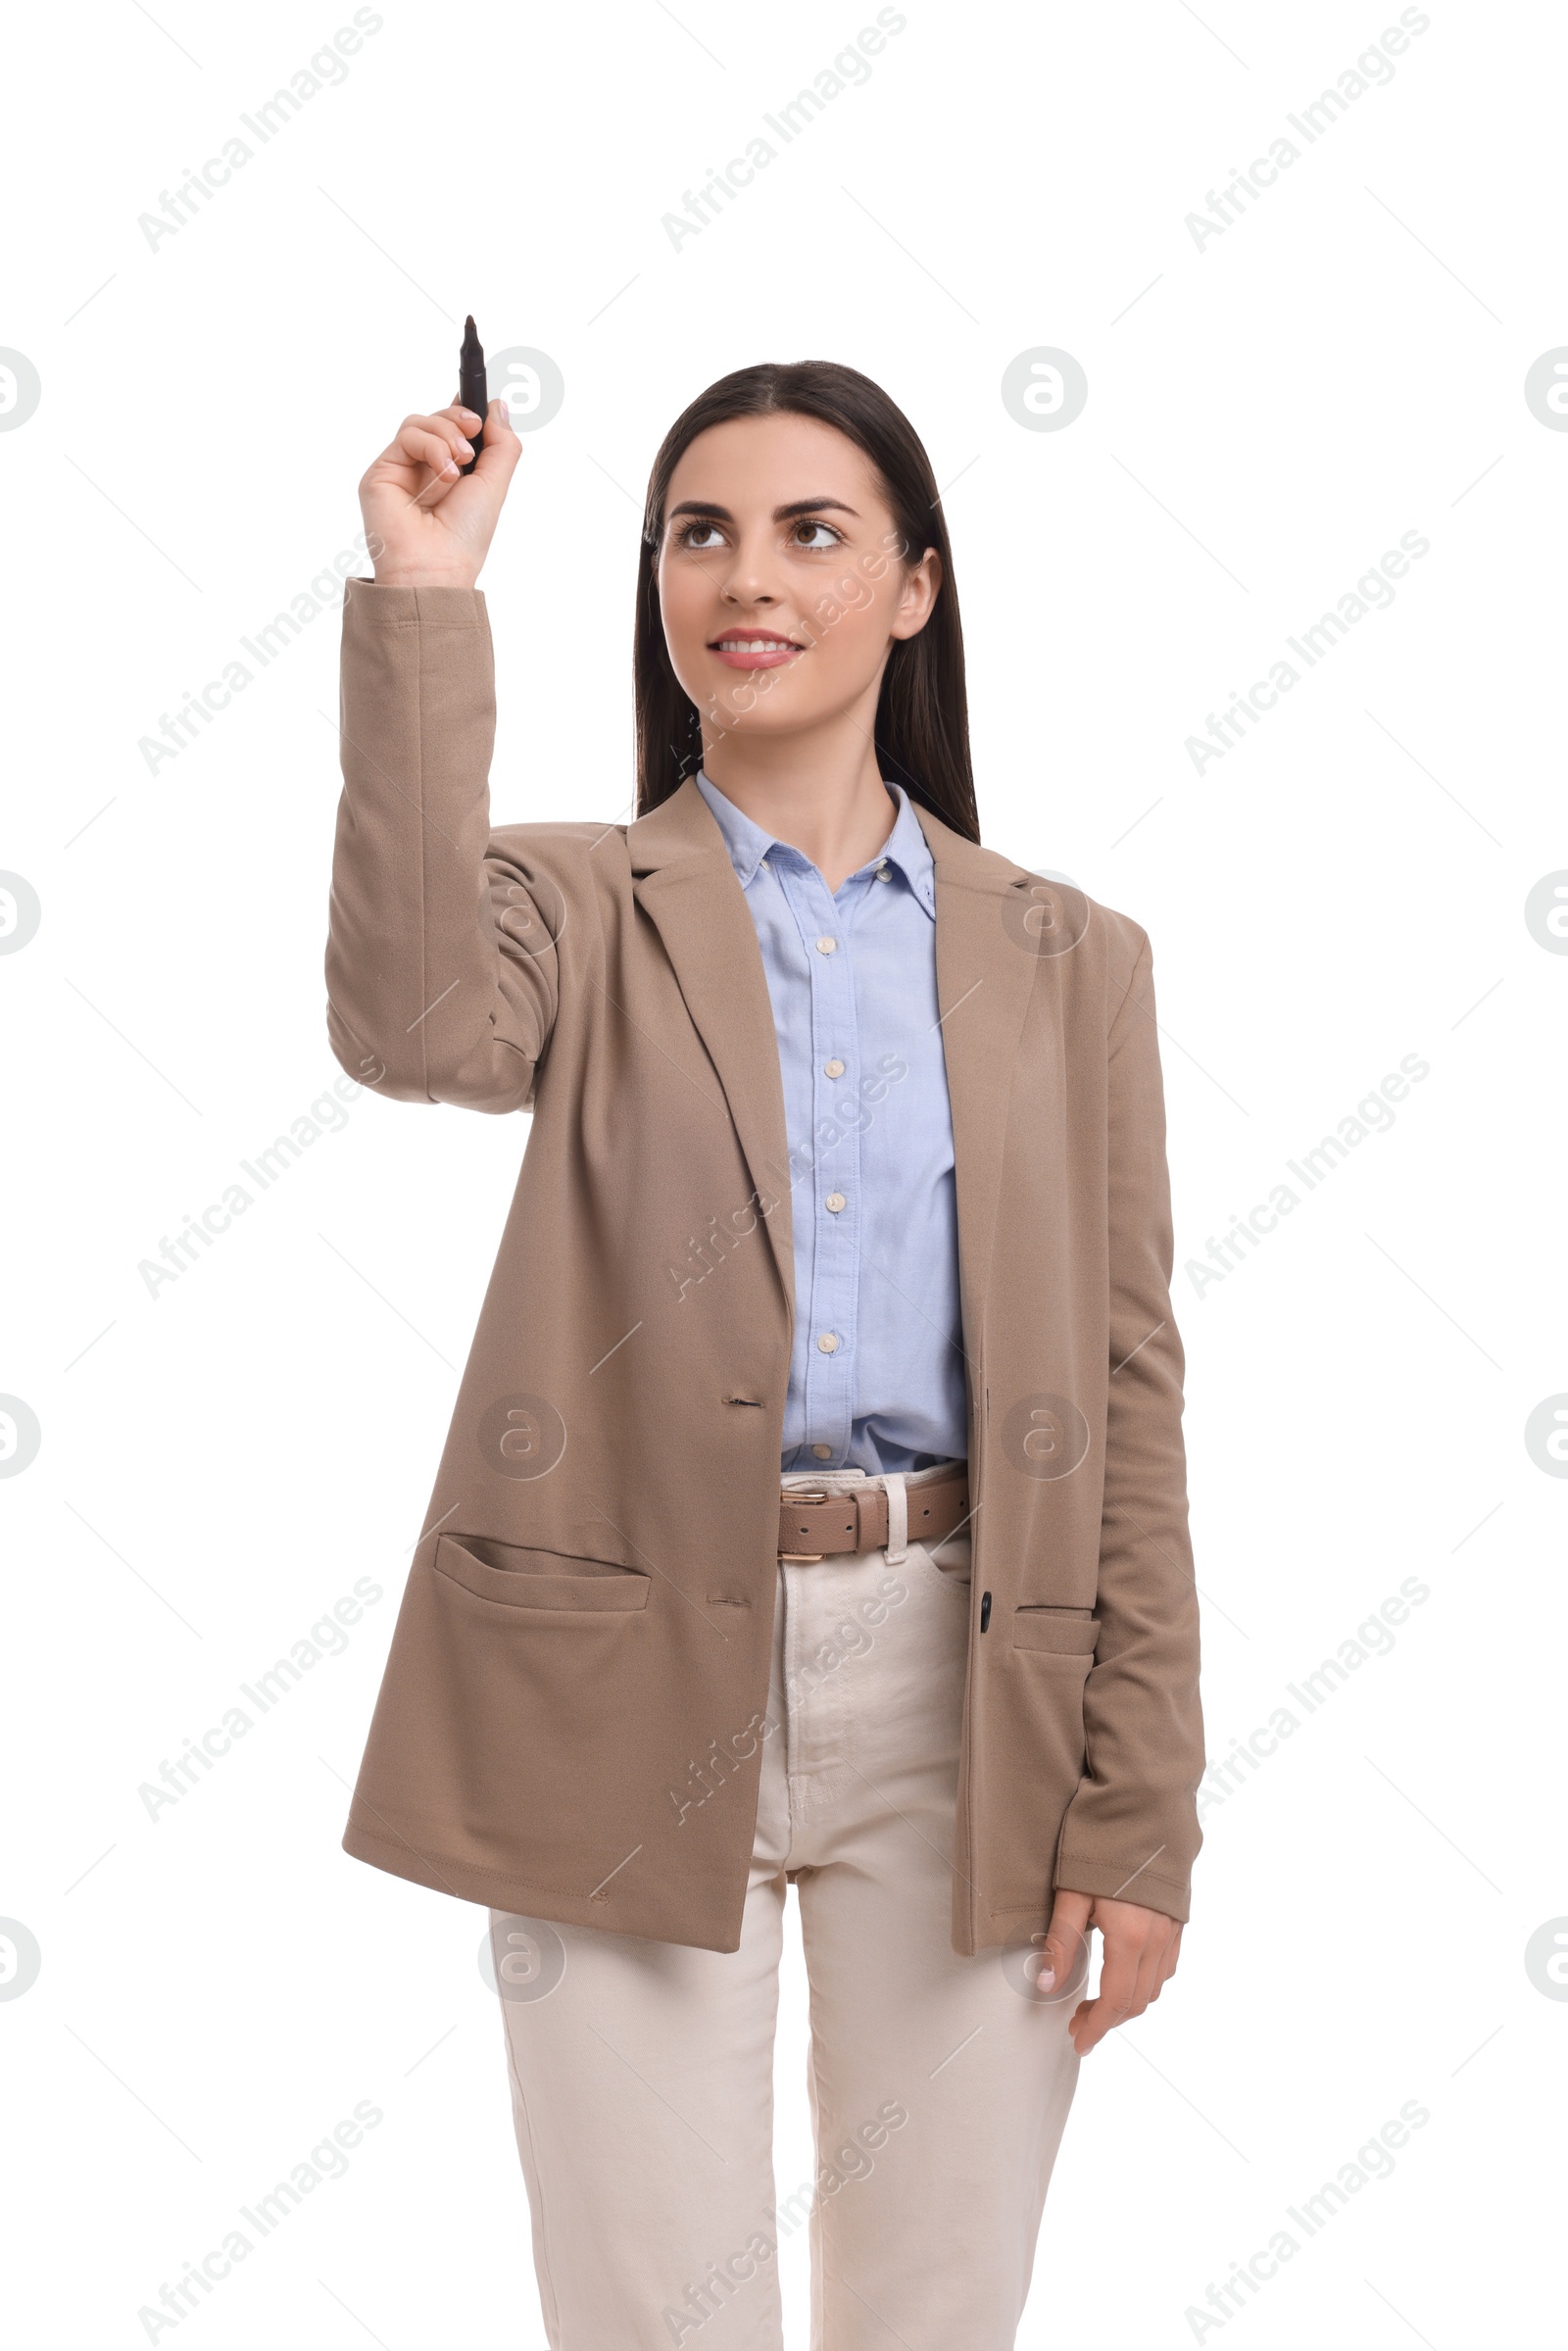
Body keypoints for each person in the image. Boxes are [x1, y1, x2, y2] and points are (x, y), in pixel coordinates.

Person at [326, 358, 1204, 2350]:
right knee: (651, 2314)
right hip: (617, 1676)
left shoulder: (1072, 961)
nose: (747, 575)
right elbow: (401, 1020)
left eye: (814, 531)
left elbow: (1124, 1400)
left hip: (968, 1683)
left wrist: (1134, 1813)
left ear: (912, 588)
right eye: (698, 533)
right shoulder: (570, 904)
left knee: (934, 2309)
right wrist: (422, 596)